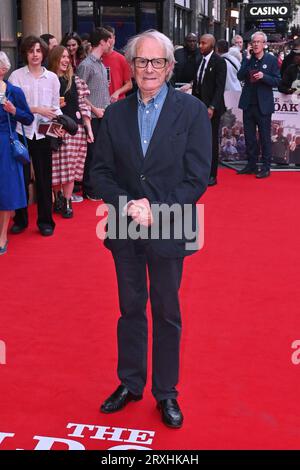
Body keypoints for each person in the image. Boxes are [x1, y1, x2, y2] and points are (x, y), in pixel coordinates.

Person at [94, 30, 212, 429]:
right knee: (129, 310)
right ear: (132, 65)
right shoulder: (115, 114)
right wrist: (128, 205)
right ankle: (129, 383)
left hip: (170, 225)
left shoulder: (192, 112)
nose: (148, 69)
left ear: (169, 66)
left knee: (166, 312)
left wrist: (156, 209)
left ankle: (166, 393)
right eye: (141, 62)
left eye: (156, 62)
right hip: (125, 227)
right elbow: (100, 175)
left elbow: (198, 177)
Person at [9, 35, 62, 236]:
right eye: (31, 51)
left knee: (44, 179)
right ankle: (21, 219)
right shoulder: (16, 77)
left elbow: (55, 106)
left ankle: (45, 222)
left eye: (38, 51)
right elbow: (13, 108)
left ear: (44, 53)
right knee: (21, 179)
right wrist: (38, 109)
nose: (35, 55)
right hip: (20, 133)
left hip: (43, 134)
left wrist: (59, 121)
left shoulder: (52, 78)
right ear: (25, 54)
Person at [48, 46, 93, 218]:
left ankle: (67, 201)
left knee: (70, 168)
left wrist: (88, 129)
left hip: (75, 129)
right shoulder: (48, 80)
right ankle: (58, 197)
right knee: (54, 167)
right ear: (54, 59)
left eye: (68, 57)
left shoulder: (76, 81)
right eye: (62, 57)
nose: (66, 60)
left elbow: (83, 107)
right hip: (53, 128)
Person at [0, 52, 34, 255]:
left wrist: (14, 111)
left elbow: (28, 118)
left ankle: (2, 234)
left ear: (3, 69)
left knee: (6, 190)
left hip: (5, 145)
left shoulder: (14, 92)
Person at [236, 31, 281, 179]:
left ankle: (266, 166)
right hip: (248, 104)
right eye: (253, 42)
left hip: (263, 106)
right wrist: (247, 60)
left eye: (258, 42)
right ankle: (251, 164)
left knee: (264, 137)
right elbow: (239, 76)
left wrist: (264, 76)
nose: (255, 44)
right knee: (249, 137)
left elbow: (277, 81)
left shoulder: (271, 60)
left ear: (264, 44)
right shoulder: (248, 59)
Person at [77, 28, 111, 200]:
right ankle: (89, 189)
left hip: (103, 116)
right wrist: (93, 109)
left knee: (100, 153)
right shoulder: (85, 65)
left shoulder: (100, 64)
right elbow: (78, 93)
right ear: (102, 42)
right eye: (109, 41)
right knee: (91, 154)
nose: (111, 44)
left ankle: (96, 186)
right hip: (92, 117)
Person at [192, 34, 226, 186]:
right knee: (198, 140)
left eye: (203, 43)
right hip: (198, 105)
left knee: (211, 141)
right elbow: (198, 81)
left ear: (212, 45)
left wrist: (212, 106)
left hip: (212, 108)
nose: (200, 46)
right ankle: (199, 171)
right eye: (200, 43)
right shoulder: (199, 60)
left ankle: (212, 175)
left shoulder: (219, 62)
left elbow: (220, 87)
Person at [102, 25, 133, 102]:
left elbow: (129, 84)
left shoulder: (121, 58)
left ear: (114, 38)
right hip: (99, 102)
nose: (108, 41)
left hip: (118, 102)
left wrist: (117, 92)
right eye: (105, 38)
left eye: (110, 37)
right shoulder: (96, 58)